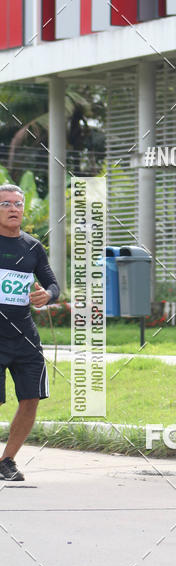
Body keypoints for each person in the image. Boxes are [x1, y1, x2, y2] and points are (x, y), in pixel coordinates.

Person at [0, 184, 60, 482]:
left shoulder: (33, 246)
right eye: (5, 204)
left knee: (31, 397)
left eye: (18, 204)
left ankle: (7, 460)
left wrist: (47, 295)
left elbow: (53, 285)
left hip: (24, 336)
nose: (13, 209)